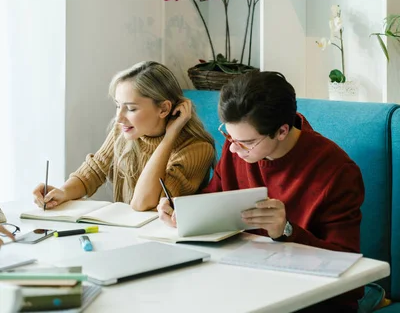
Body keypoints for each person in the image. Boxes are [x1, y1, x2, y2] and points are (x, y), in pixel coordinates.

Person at [158, 71, 364, 313]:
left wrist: (286, 231)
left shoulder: (336, 171)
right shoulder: (239, 143)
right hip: (242, 283)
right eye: (228, 135)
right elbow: (215, 194)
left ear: (282, 131)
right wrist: (182, 210)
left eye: (246, 142)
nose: (234, 149)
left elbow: (350, 273)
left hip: (308, 298)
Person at [33, 61, 216, 211]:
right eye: (117, 105)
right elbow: (95, 170)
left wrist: (170, 136)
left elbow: (143, 203)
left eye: (131, 108)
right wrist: (62, 192)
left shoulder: (197, 149)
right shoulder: (124, 130)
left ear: (164, 108)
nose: (119, 118)